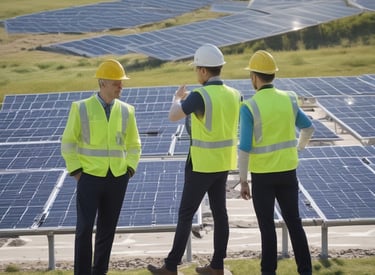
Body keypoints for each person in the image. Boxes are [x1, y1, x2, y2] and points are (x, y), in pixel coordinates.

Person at [147, 44, 242, 275]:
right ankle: (217, 265)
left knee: (186, 214)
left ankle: (170, 267)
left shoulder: (200, 95)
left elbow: (173, 116)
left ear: (202, 71)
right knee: (221, 214)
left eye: (196, 68)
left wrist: (177, 98)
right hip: (223, 163)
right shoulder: (235, 94)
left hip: (201, 165)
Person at [61, 59, 141, 275]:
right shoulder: (81, 108)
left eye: (122, 82)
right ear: (103, 82)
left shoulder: (127, 111)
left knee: (107, 231)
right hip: (88, 178)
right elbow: (68, 143)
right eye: (117, 82)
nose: (121, 86)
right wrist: (77, 171)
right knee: (85, 229)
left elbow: (134, 145)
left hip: (117, 178)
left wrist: (129, 169)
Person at [238, 50, 314, 275]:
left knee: (267, 228)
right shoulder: (290, 99)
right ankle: (306, 271)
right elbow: (309, 128)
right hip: (288, 172)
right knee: (294, 223)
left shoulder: (249, 107)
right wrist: (298, 149)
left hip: (262, 176)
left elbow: (244, 148)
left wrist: (243, 181)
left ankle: (268, 272)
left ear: (254, 77)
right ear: (273, 75)